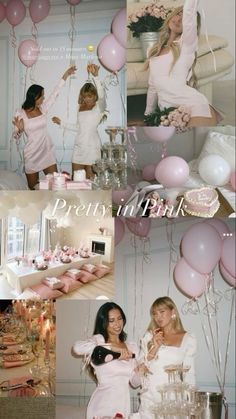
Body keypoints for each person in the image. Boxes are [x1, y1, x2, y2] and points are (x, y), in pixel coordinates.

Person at [145, 0, 220, 127]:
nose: (179, 19)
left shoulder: (187, 44)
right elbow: (153, 88)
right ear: (171, 15)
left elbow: (189, 12)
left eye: (183, 16)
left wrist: (188, 11)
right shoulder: (152, 50)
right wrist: (148, 117)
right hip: (168, 114)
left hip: (193, 105)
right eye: (177, 14)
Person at [72, 302, 142, 419]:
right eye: (111, 320)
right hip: (102, 405)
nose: (117, 324)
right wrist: (113, 350)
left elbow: (135, 383)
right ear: (104, 323)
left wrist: (142, 369)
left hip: (123, 405)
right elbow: (77, 348)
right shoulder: (99, 340)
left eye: (119, 318)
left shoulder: (132, 347)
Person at [12, 66, 76, 189]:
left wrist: (66, 75)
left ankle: (54, 205)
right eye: (42, 96)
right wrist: (18, 130)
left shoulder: (43, 108)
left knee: (55, 185)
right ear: (35, 97)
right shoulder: (20, 113)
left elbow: (55, 93)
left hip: (47, 152)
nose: (44, 98)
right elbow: (16, 136)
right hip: (31, 154)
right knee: (33, 187)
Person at [139, 296, 197, 417]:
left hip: (173, 399)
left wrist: (191, 405)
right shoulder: (149, 336)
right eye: (155, 313)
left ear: (173, 312)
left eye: (162, 312)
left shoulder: (188, 339)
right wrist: (154, 347)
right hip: (150, 397)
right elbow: (141, 367)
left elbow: (189, 374)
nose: (158, 317)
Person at [52, 63, 107, 180]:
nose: (87, 99)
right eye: (85, 96)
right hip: (79, 148)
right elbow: (79, 127)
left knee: (91, 182)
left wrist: (96, 77)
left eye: (90, 96)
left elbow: (102, 96)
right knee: (76, 181)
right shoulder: (80, 107)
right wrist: (61, 123)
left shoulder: (99, 107)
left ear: (94, 95)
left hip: (93, 149)